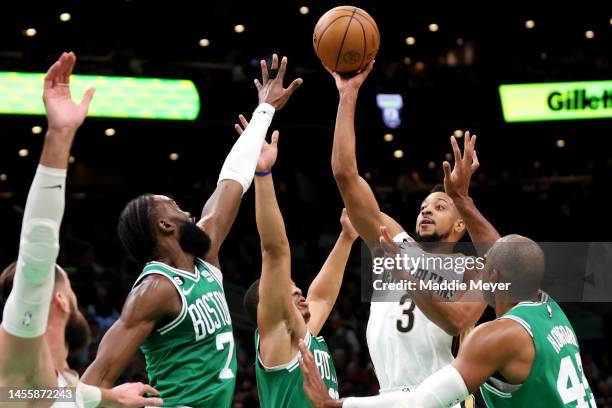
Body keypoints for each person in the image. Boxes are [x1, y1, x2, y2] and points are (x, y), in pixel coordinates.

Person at [82, 53, 303, 407]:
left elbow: (231, 182)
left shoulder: (203, 256)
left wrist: (265, 111)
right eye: (175, 206)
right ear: (165, 225)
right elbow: (94, 378)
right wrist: (102, 399)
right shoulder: (154, 290)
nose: (186, 209)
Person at [0, 52, 162, 407]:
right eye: (71, 289)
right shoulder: (22, 359)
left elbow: (70, 394)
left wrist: (112, 397)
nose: (78, 300)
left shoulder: (46, 383)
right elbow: (37, 249)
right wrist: (59, 135)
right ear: (58, 300)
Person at [327, 61, 497, 395]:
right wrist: (348, 95)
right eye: (423, 208)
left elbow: (458, 320)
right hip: (389, 395)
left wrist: (407, 275)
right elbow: (345, 176)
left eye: (440, 206)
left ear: (461, 223)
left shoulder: (473, 268)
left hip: (440, 398)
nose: (426, 212)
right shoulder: (394, 243)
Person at [299, 235, 597, 408]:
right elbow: (513, 256)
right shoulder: (551, 309)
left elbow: (421, 402)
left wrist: (335, 404)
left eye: (483, 269)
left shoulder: (497, 337)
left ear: (492, 279)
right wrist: (462, 198)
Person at [237, 115, 359, 407]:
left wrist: (346, 238)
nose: (297, 290)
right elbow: (275, 250)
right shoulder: (277, 334)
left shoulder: (302, 336)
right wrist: (263, 175)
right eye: (287, 289)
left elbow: (323, 296)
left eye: (295, 286)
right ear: (266, 308)